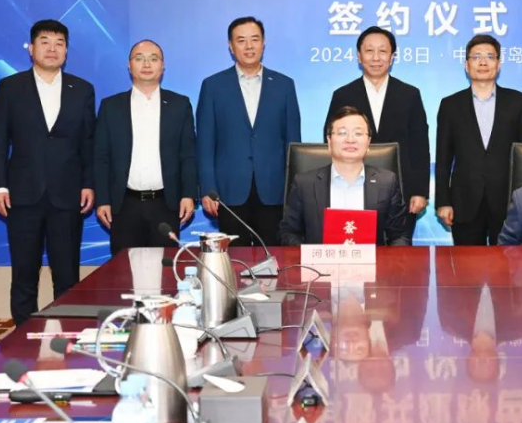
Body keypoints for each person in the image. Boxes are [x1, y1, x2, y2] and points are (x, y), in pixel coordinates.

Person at [0, 19, 95, 325]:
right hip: (22, 195)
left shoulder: (82, 90)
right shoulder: (10, 87)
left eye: (59, 43)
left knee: (67, 274)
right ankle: (24, 335)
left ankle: (68, 334)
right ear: (31, 48)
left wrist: (89, 183)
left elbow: (88, 142)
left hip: (68, 195)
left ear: (66, 51)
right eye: (45, 41)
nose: (52, 48)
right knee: (24, 273)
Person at [196, 17, 301, 246]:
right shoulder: (213, 86)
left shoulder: (284, 85)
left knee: (273, 255)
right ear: (230, 46)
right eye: (241, 40)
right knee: (235, 257)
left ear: (264, 43)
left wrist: (292, 191)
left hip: (273, 189)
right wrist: (208, 189)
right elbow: (205, 144)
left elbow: (293, 143)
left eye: (255, 39)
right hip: (228, 190)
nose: (249, 46)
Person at [324, 26, 430, 238]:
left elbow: (420, 146)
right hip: (352, 188)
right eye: (369, 51)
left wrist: (420, 191)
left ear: (392, 57)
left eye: (382, 51)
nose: (376, 58)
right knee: (354, 246)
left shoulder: (410, 94)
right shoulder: (343, 95)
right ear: (358, 56)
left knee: (399, 251)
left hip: (401, 191)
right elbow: (330, 142)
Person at [94, 40, 197, 254]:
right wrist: (102, 200)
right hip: (124, 205)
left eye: (154, 58)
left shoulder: (180, 104)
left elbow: (187, 154)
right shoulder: (111, 106)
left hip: (166, 204)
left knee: (165, 268)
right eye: (139, 58)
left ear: (163, 66)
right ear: (129, 65)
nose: (147, 64)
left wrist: (188, 195)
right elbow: (101, 157)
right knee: (123, 270)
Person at [436, 34, 522, 245]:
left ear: (498, 65)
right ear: (466, 65)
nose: (483, 62)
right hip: (464, 202)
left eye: (490, 57)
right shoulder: (450, 105)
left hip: (509, 202)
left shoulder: (519, 102)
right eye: (476, 57)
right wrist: (443, 201)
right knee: (467, 265)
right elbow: (443, 158)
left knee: (509, 263)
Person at [278, 106, 409, 245]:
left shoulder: (386, 183)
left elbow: (400, 236)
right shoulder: (305, 184)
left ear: (368, 142)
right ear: (329, 141)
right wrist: (309, 255)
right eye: (342, 133)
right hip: (320, 259)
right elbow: (288, 233)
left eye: (358, 133)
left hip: (371, 259)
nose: (350, 139)